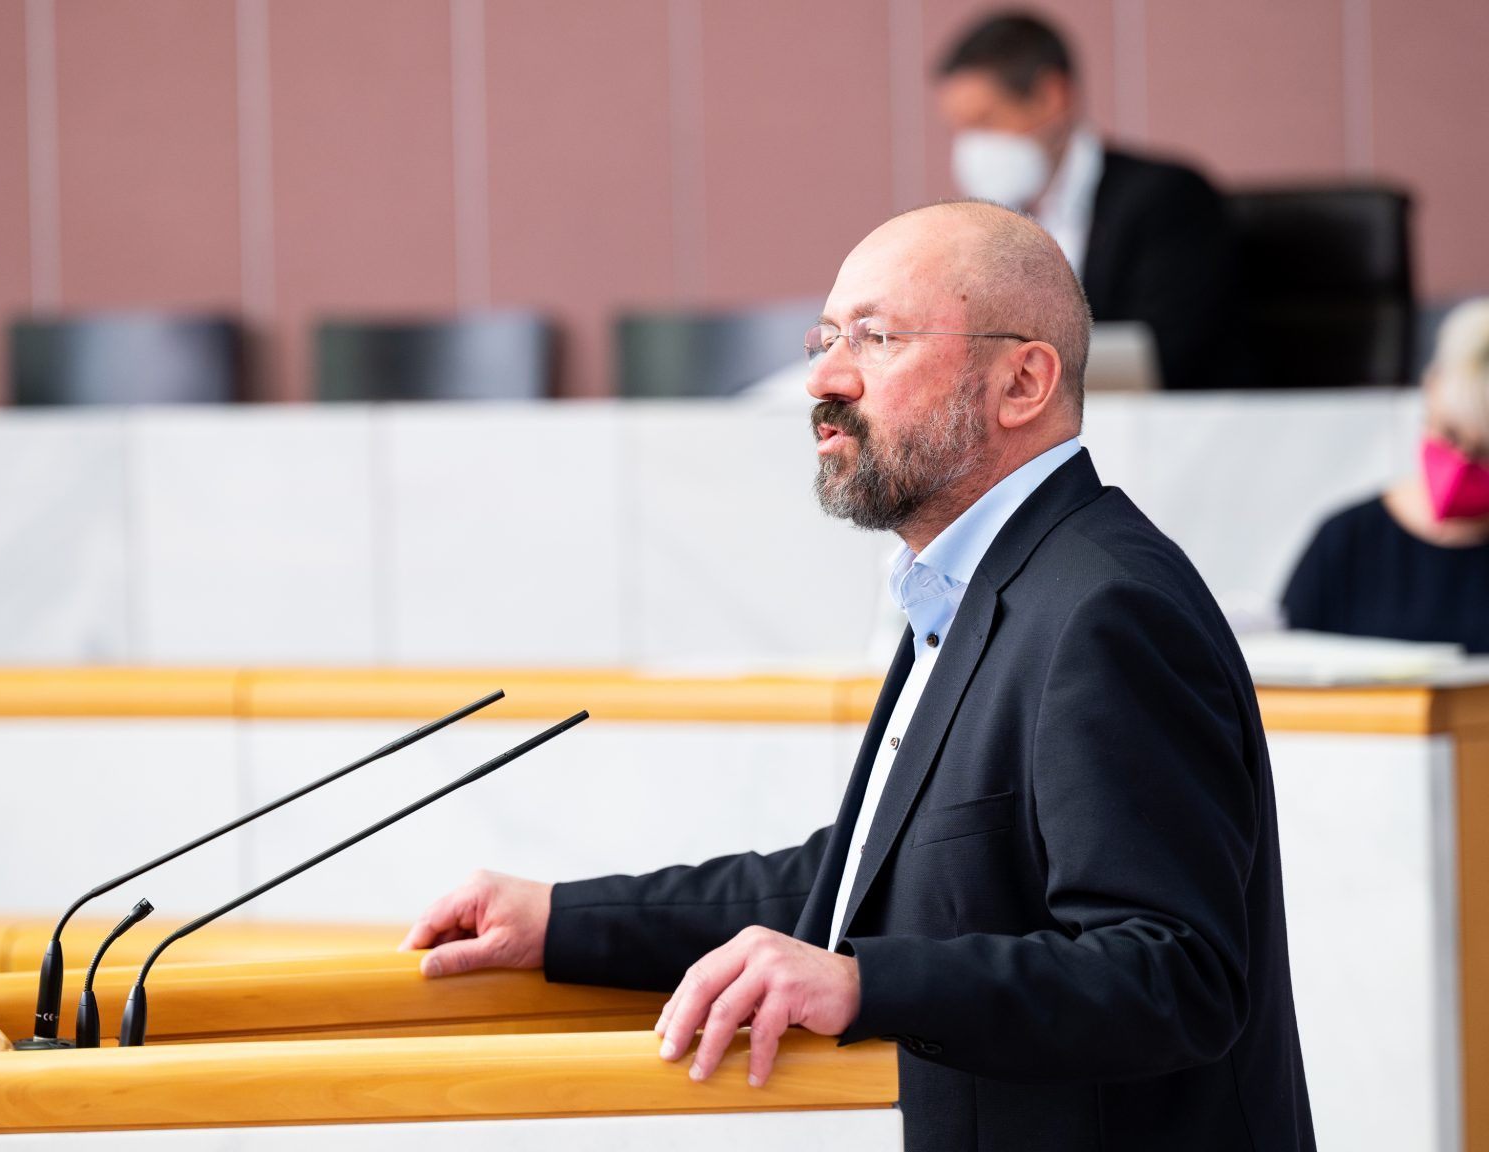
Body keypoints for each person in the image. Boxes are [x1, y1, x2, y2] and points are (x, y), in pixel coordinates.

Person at [403, 201, 1313, 1151]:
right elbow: (866, 885)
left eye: (877, 339)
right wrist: (560, 921)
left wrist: (863, 984)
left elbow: (1173, 976)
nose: (823, 379)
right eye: (826, 337)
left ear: (1022, 381)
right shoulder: (977, 588)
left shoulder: (1105, 609)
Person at [936, 10, 1242, 391]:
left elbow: (1164, 356)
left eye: (985, 121)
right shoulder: (984, 230)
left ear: (1051, 96)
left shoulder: (1167, 197)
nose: (972, 147)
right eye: (960, 129)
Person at [1283, 298, 1489, 651]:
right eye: (1451, 435)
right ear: (1430, 390)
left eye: (1484, 451)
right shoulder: (1348, 539)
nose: (1462, 463)